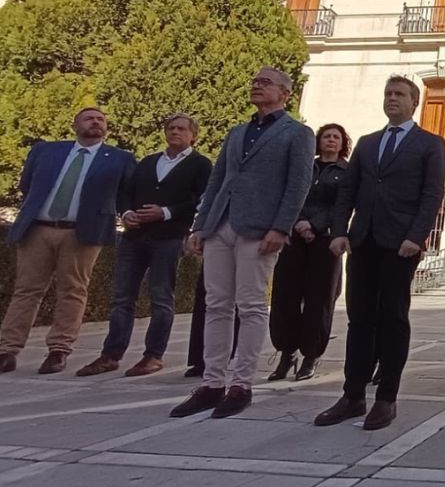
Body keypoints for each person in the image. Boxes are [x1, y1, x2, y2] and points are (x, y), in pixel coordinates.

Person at [169, 67, 315, 419]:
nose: (256, 85)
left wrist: (281, 227)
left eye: (265, 82)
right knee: (217, 304)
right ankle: (212, 382)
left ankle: (241, 384)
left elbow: (298, 183)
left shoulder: (298, 133)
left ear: (284, 93)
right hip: (221, 224)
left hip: (260, 228)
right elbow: (218, 179)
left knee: (250, 306)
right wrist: (201, 225)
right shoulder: (237, 132)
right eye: (254, 81)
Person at [314, 76, 445, 431]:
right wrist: (340, 231)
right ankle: (352, 395)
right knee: (359, 320)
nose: (392, 99)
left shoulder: (430, 144)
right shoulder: (368, 143)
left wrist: (416, 237)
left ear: (414, 102)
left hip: (400, 244)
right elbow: (348, 192)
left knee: (393, 318)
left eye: (399, 94)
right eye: (388, 94)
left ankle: (386, 398)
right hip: (364, 241)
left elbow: (432, 194)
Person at [0, 108, 136, 375]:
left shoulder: (120, 158)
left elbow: (126, 194)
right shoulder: (46, 151)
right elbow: (28, 184)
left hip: (82, 233)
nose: (96, 122)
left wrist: (128, 213)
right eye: (89, 118)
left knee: (72, 290)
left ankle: (59, 350)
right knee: (26, 290)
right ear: (75, 125)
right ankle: (7, 350)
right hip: (38, 229)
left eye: (101, 119)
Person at [76, 114, 211, 378]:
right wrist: (126, 213)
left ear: (193, 135)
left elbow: (202, 199)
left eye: (181, 129)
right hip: (135, 236)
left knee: (161, 298)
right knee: (121, 297)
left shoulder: (201, 164)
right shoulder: (149, 162)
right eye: (170, 127)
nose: (175, 132)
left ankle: (153, 355)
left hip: (169, 237)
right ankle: (111, 354)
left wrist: (167, 212)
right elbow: (126, 191)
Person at [268, 123, 351, 382]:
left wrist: (313, 224)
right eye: (326, 136)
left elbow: (341, 205)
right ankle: (286, 353)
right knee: (286, 297)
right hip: (294, 238)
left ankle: (311, 355)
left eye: (336, 137)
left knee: (319, 300)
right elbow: (292, 195)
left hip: (326, 241)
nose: (331, 140)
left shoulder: (347, 172)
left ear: (343, 143)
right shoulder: (305, 166)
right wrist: (298, 223)